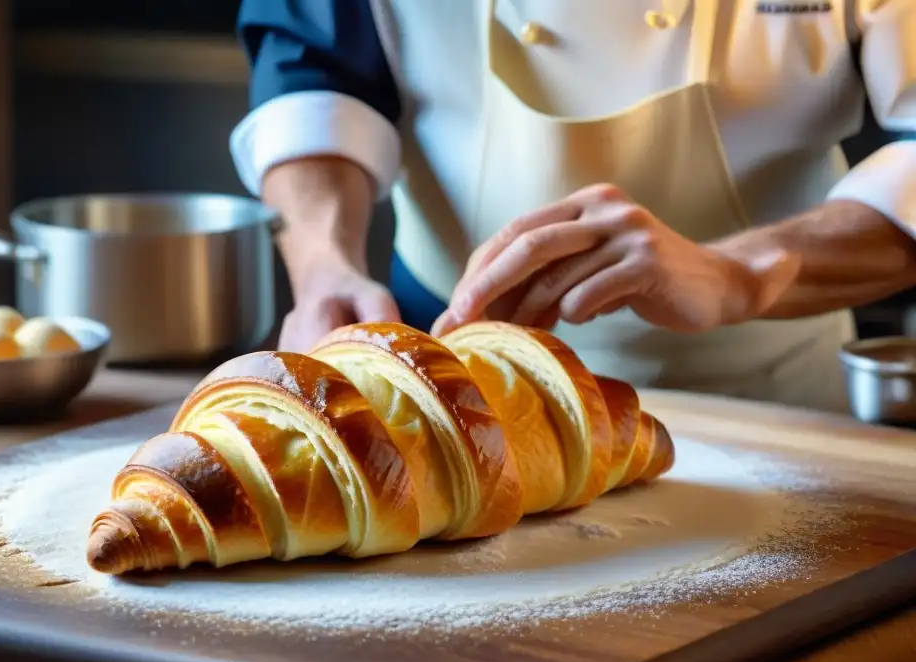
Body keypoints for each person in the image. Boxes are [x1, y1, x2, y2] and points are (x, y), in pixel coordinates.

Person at [230, 0, 916, 413]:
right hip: (451, 386)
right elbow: (315, 69)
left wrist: (740, 272)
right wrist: (324, 264)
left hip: (779, 400)